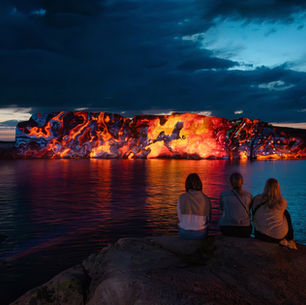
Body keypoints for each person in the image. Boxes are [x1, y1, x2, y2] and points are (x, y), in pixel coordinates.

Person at [252, 178, 297, 250]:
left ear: (266, 187)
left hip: (260, 235)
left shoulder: (257, 198)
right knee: (286, 213)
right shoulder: (282, 202)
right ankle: (290, 239)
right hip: (278, 237)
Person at [177, 173, 211, 240]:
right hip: (200, 234)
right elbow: (208, 219)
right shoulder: (206, 198)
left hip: (184, 233)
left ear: (186, 184)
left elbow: (179, 217)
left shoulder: (181, 197)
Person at [219, 173, 252, 237]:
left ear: (231, 183)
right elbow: (249, 208)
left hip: (227, 228)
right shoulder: (249, 196)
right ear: (242, 182)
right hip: (244, 228)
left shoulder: (223, 195)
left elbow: (222, 209)